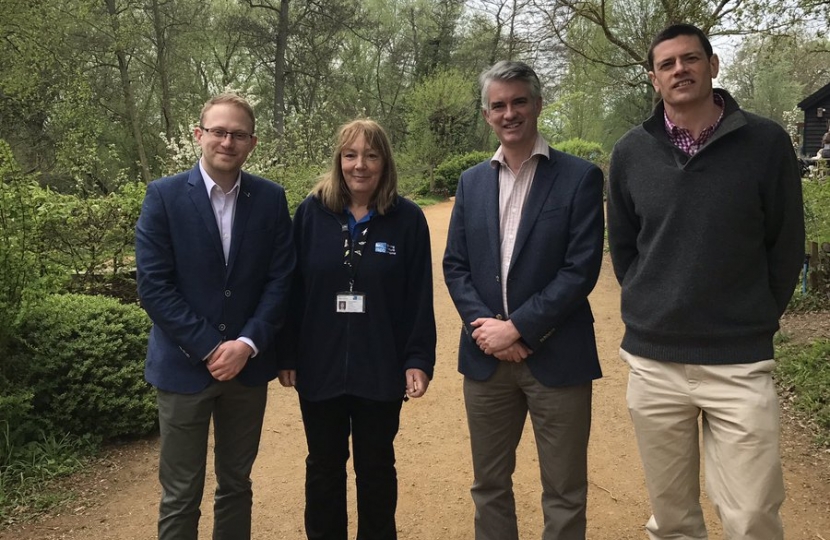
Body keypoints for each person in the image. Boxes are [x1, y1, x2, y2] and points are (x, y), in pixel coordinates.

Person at [606, 23, 804, 540]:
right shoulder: (630, 152)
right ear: (653, 79)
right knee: (672, 517)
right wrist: (655, 305)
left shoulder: (765, 142)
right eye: (667, 64)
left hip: (738, 361)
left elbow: (785, 244)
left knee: (753, 514)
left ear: (712, 65)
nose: (680, 70)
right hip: (654, 363)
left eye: (690, 59)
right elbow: (626, 250)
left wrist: (756, 314)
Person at [443, 61, 605, 540]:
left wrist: (519, 328)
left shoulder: (579, 178)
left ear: (536, 104)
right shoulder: (472, 182)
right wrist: (488, 330)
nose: (509, 112)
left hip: (559, 356)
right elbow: (456, 265)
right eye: (498, 105)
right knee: (489, 484)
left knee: (565, 489)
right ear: (487, 114)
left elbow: (580, 270)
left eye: (518, 102)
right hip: (485, 359)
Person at [135, 93, 295, 540]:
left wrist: (245, 345)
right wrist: (210, 346)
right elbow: (154, 286)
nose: (228, 141)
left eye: (238, 134)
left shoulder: (270, 199)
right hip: (183, 369)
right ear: (198, 135)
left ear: (252, 143)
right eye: (219, 131)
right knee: (181, 492)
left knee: (236, 486)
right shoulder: (163, 197)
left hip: (246, 371)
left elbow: (281, 280)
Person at [277, 119, 436, 540]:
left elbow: (419, 296)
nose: (360, 165)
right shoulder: (311, 213)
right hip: (319, 365)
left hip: (379, 366)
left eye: (371, 155)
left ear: (385, 162)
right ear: (338, 160)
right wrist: (287, 352)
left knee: (376, 466)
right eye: (350, 155)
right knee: (324, 467)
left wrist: (418, 358)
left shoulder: (408, 219)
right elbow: (292, 289)